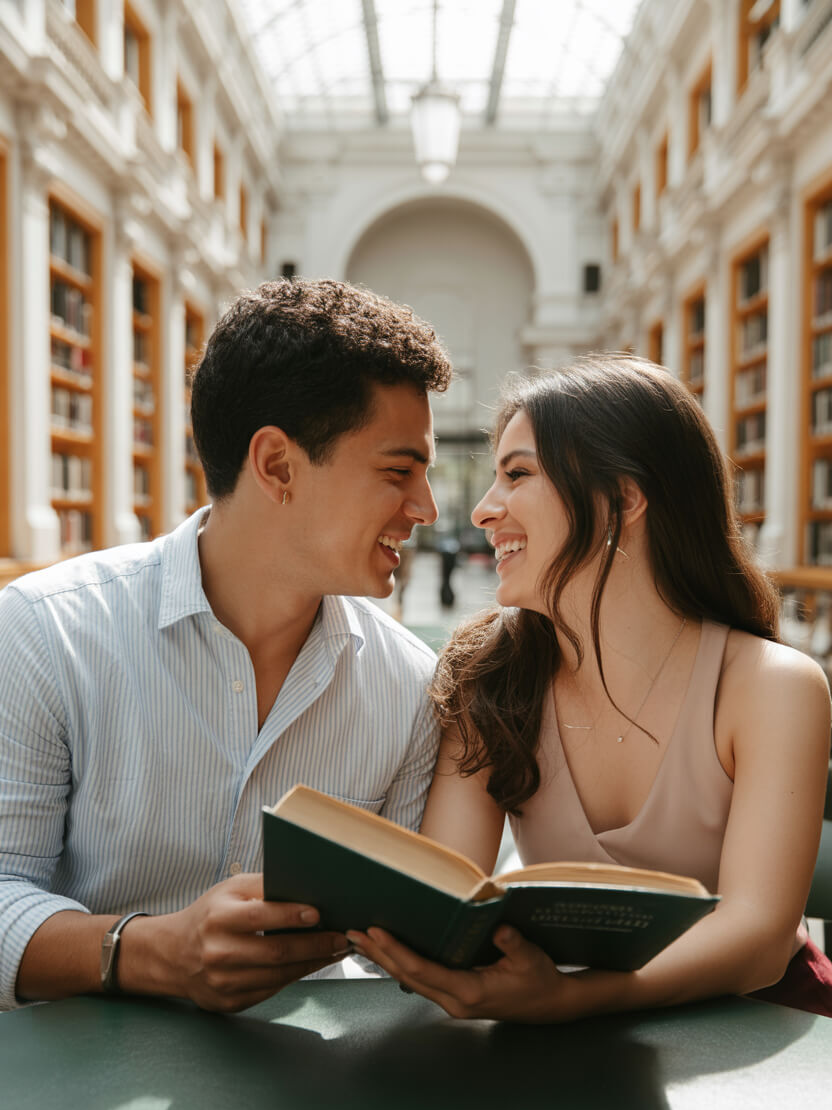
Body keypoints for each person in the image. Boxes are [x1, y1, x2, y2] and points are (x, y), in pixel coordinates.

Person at [0, 278, 451, 1013]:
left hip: (309, 1099)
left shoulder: (410, 688)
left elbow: (392, 965)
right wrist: (146, 952)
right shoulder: (45, 632)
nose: (426, 508)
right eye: (399, 472)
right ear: (276, 465)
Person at [349, 354, 832, 1021]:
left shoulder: (773, 688)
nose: (486, 511)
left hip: (765, 1033)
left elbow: (759, 939)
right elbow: (444, 907)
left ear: (625, 499)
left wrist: (575, 999)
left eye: (517, 474)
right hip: (570, 1038)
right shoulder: (488, 678)